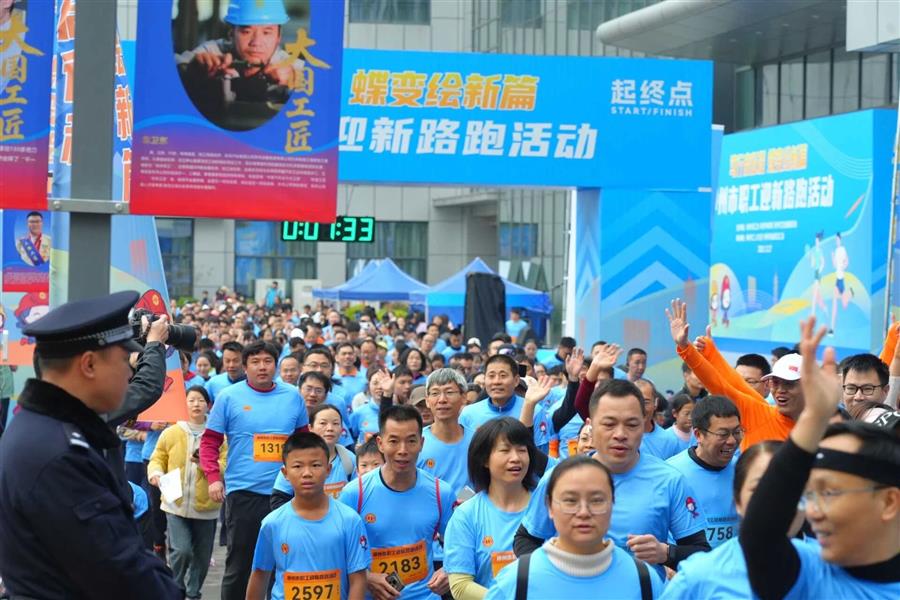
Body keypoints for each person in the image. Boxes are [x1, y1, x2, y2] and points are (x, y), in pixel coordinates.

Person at [0, 290, 182, 598]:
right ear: (88, 365)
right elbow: (122, 573)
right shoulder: (60, 454)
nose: (128, 372)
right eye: (124, 360)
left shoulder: (38, 428)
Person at [741, 316, 900, 599]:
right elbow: (759, 537)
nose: (812, 512)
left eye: (830, 493)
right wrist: (814, 416)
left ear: (889, 502)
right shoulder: (806, 573)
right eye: (809, 495)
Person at [515, 379, 710, 579]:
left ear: (644, 424)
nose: (620, 434)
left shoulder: (670, 480)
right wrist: (550, 578)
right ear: (590, 425)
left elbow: (701, 553)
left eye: (631, 425)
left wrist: (666, 553)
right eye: (609, 424)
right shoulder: (561, 477)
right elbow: (526, 539)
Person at [200, 340, 310, 600]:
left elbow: (304, 443)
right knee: (241, 564)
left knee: (284, 562)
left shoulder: (293, 396)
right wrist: (214, 478)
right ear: (245, 366)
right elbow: (209, 442)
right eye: (255, 362)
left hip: (286, 494)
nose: (262, 367)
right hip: (244, 493)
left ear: (276, 365)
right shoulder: (229, 397)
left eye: (268, 361)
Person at [487, 455, 664, 600]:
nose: (584, 512)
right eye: (570, 501)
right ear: (549, 506)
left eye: (596, 500)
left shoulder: (644, 581)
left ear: (612, 504)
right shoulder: (515, 583)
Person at [660, 440, 805, 598]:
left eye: (790, 488)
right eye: (760, 489)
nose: (777, 500)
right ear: (737, 501)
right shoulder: (697, 576)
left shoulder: (823, 564)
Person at [339, 404, 456, 600]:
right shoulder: (354, 493)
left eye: (411, 441)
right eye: (394, 441)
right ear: (380, 443)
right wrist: (367, 577)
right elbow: (337, 552)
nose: (403, 450)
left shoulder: (441, 492)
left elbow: (460, 544)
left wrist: (449, 569)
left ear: (421, 443)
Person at [247, 432, 370, 600]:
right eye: (297, 466)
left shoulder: (350, 520)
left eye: (315, 465)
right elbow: (260, 574)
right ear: (285, 473)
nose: (307, 473)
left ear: (328, 470)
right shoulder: (272, 523)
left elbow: (358, 579)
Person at [667, 298, 801, 450]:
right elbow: (724, 386)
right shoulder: (759, 414)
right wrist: (688, 348)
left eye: (789, 383)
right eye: (775, 382)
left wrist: (711, 355)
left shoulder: (821, 428)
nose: (781, 390)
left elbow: (736, 384)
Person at [444, 418, 538, 599]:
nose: (515, 458)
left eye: (522, 450)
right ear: (485, 459)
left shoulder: (547, 507)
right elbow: (460, 586)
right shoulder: (466, 515)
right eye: (505, 450)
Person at [147, 386, 225, 600]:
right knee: (181, 550)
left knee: (202, 556)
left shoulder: (218, 436)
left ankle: (193, 594)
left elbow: (227, 464)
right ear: (184, 404)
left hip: (206, 505)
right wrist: (156, 473)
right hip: (176, 502)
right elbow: (158, 457)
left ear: (208, 405)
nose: (196, 404)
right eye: (191, 400)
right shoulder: (172, 432)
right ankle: (176, 590)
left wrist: (206, 464)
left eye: (200, 400)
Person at [665, 396, 741, 550]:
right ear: (698, 435)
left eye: (737, 432)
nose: (732, 441)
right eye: (723, 434)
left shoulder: (743, 470)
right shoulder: (670, 473)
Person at [272, 403, 356, 509]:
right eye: (323, 423)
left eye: (335, 423)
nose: (330, 428)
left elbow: (358, 496)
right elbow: (278, 499)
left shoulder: (349, 459)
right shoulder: (296, 458)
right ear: (310, 428)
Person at [635, 379, 681, 460]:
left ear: (655, 403)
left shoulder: (669, 441)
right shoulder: (620, 437)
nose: (640, 408)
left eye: (646, 402)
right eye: (635, 402)